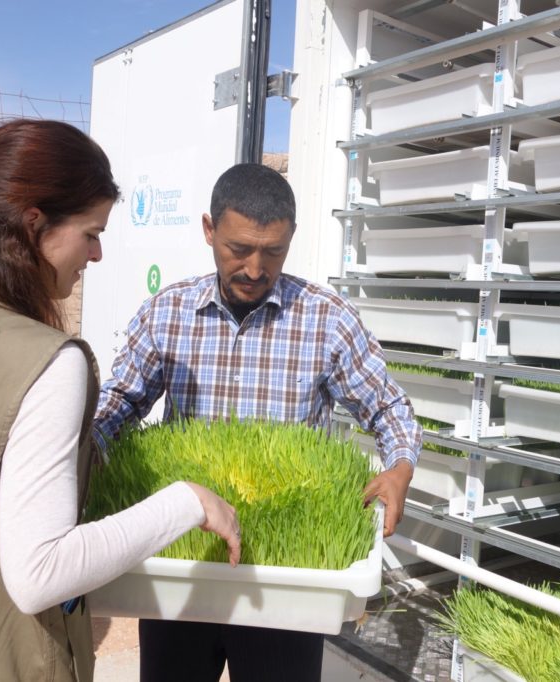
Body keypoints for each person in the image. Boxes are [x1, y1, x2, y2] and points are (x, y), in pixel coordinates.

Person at [0, 119, 241, 682]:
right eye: (91, 232)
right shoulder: (46, 363)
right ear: (34, 223)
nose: (97, 253)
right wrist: (186, 503)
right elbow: (39, 572)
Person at [94, 162, 423, 682]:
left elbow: (388, 408)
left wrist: (400, 466)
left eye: (273, 252)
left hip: (284, 581)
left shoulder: (326, 319)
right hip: (187, 565)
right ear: (209, 230)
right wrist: (81, 454)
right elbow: (118, 405)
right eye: (238, 249)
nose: (254, 268)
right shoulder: (168, 312)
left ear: (290, 239)